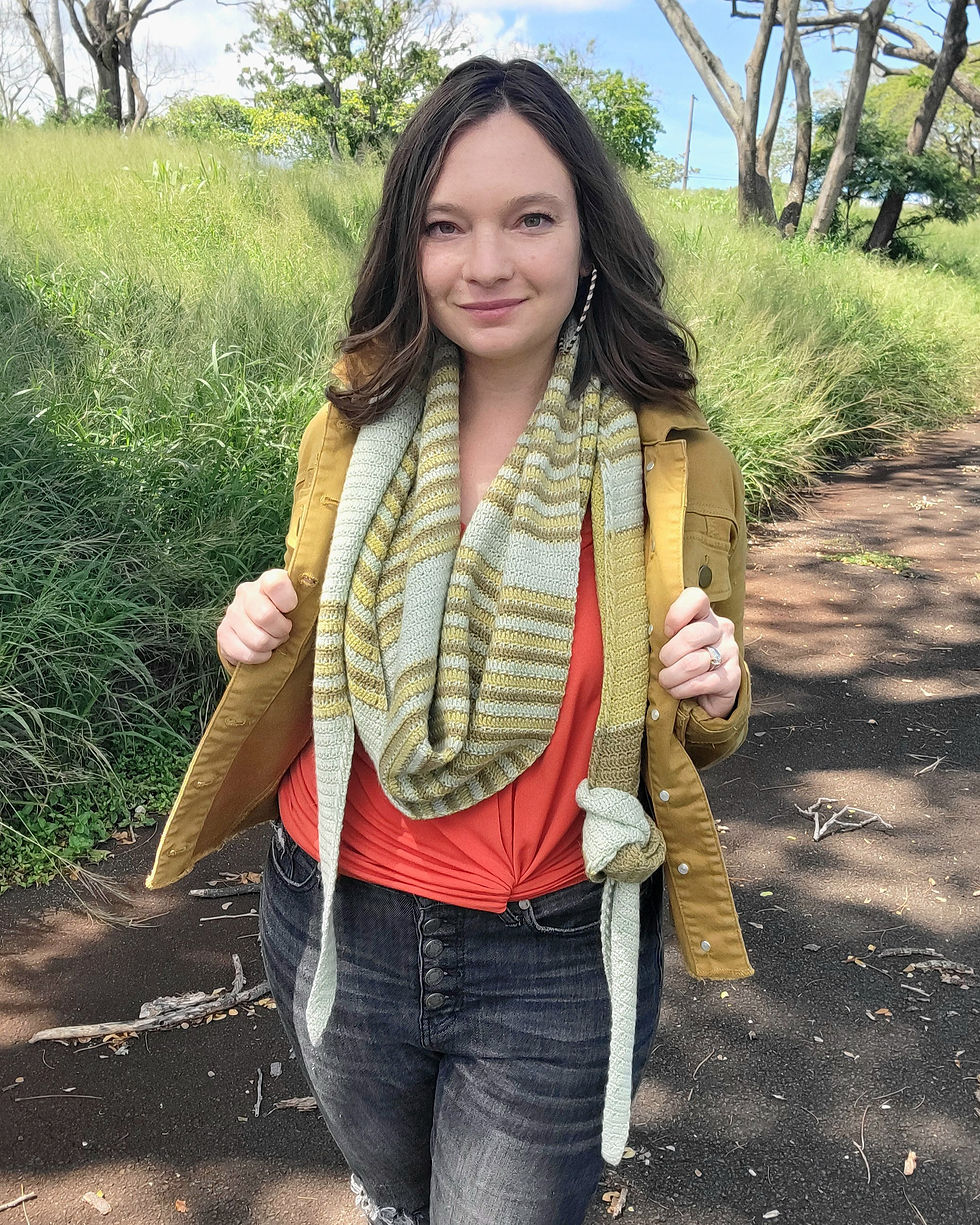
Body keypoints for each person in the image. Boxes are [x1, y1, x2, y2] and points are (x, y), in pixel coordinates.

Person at [147, 56, 753, 1225]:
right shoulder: (354, 427)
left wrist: (717, 686)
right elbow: (320, 639)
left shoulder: (675, 463)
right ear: (406, 246)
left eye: (529, 218)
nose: (484, 263)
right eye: (444, 225)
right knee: (392, 1199)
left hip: (553, 952)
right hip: (333, 911)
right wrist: (252, 633)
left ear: (586, 231)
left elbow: (707, 712)